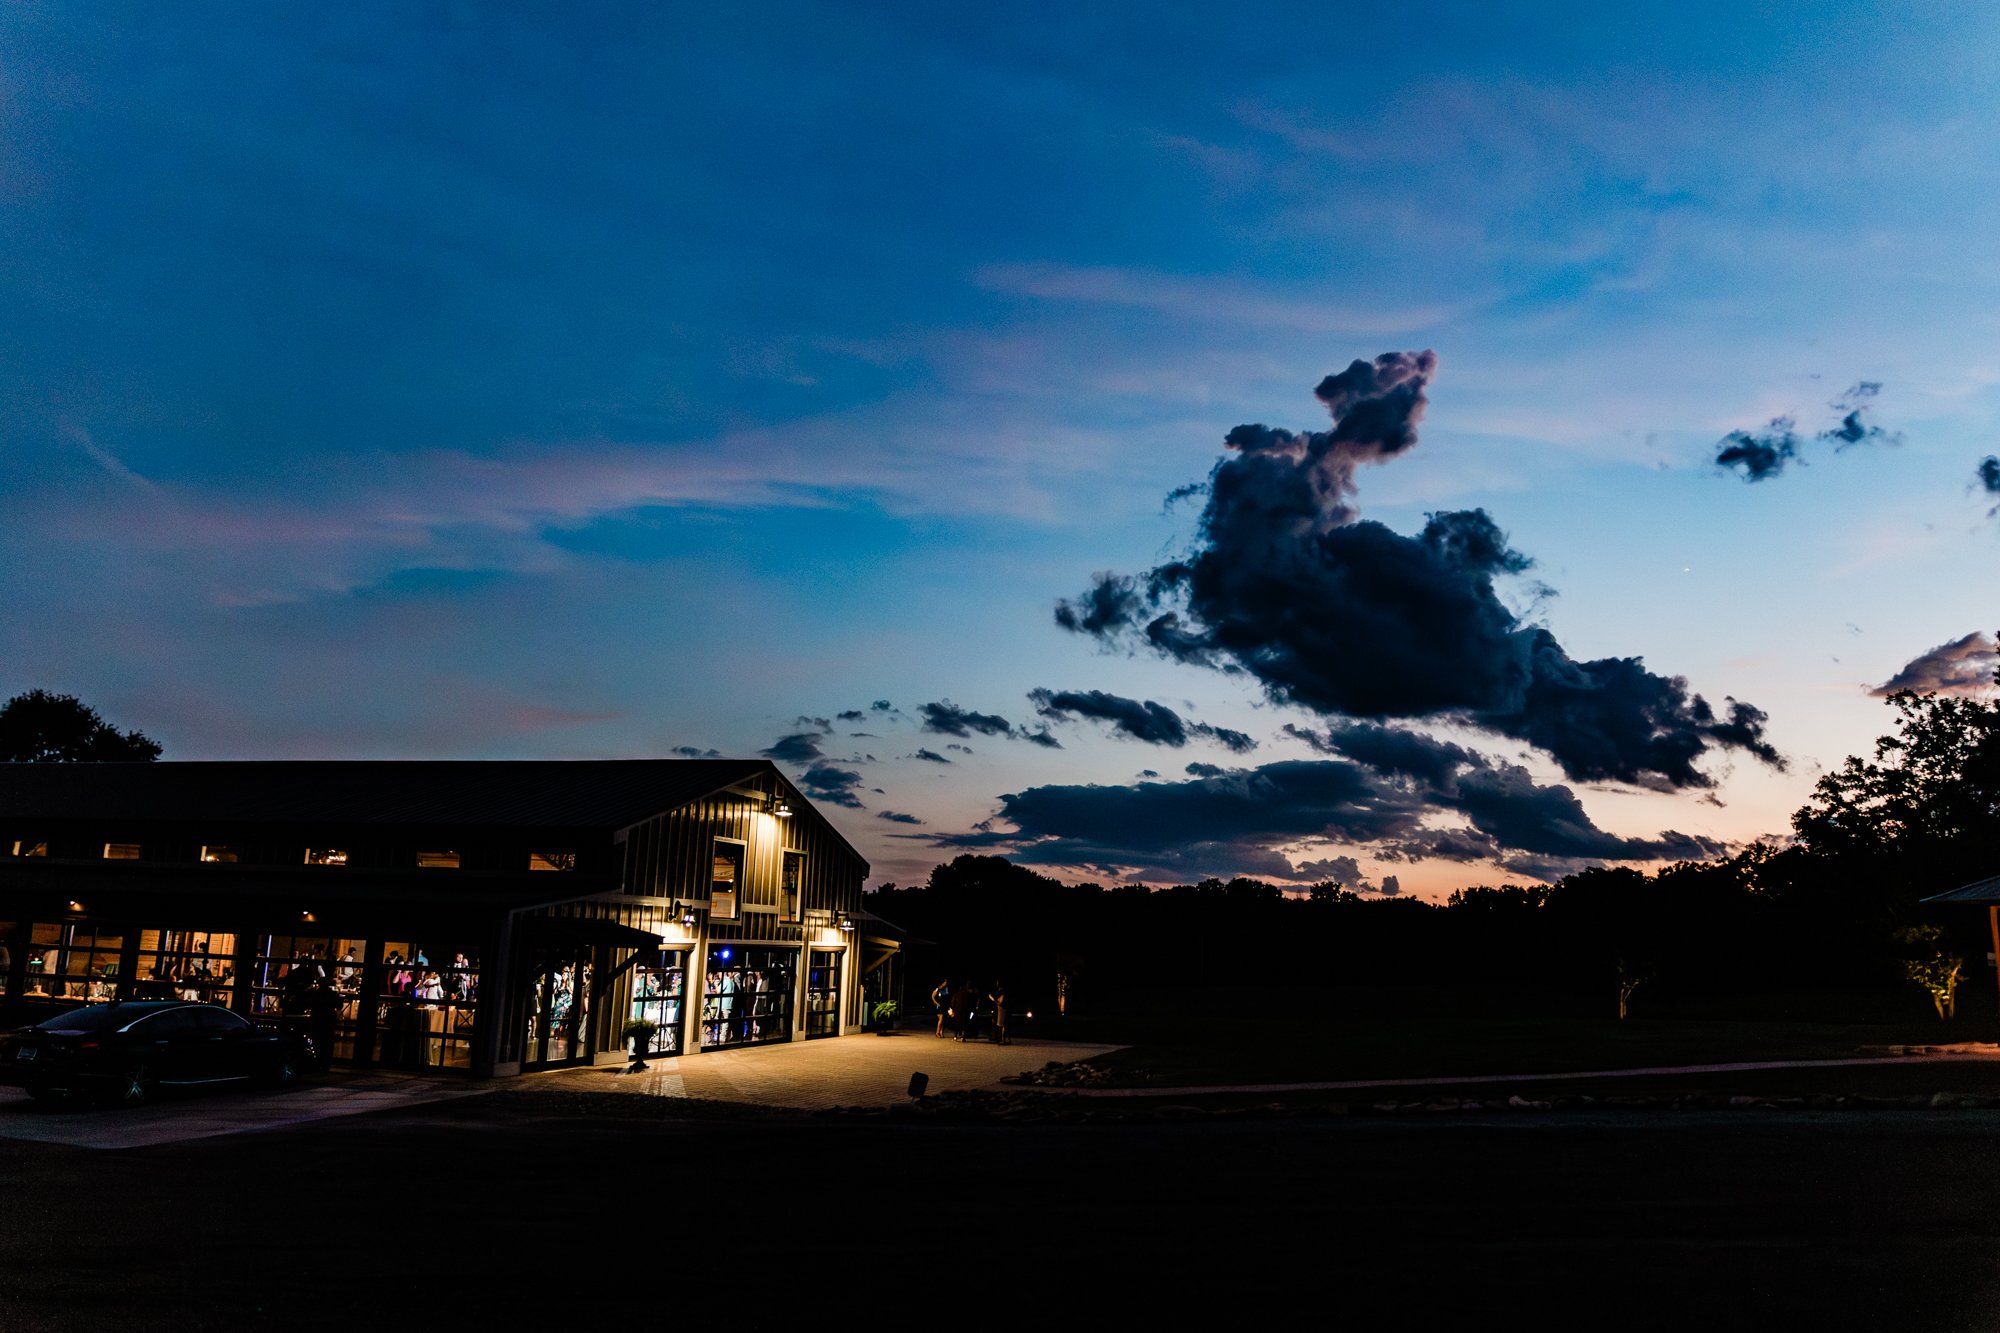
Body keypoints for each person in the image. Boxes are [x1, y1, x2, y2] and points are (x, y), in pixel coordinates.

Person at [987, 980, 1008, 1045]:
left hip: (1001, 1009)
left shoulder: (1001, 992)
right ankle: (999, 1037)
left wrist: (992, 998)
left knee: (1000, 1024)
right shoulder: (1000, 991)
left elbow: (999, 1002)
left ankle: (1001, 1039)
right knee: (999, 1024)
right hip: (1000, 1009)